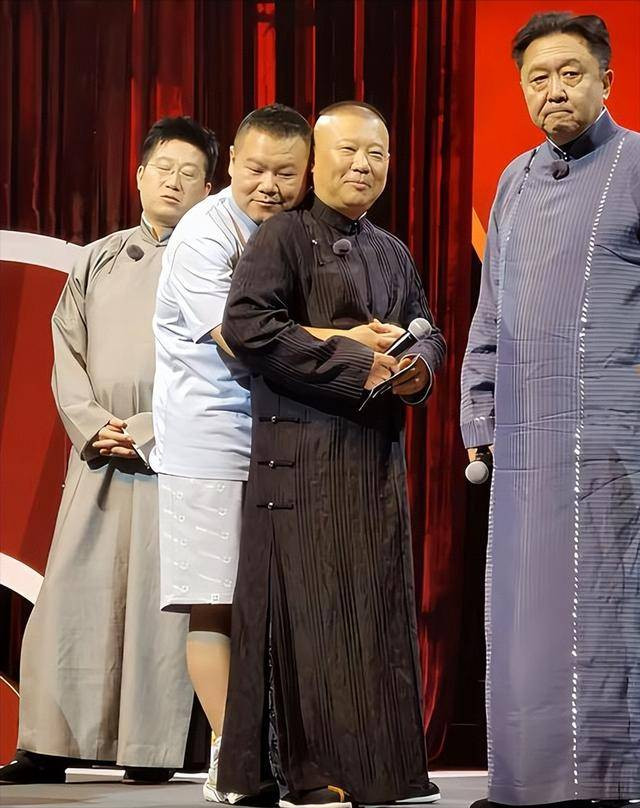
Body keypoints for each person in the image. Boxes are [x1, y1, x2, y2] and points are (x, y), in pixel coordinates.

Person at [218, 101, 446, 808]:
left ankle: (385, 771)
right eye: (348, 151)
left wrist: (416, 370)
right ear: (316, 162)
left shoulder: (391, 248)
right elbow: (248, 327)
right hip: (301, 456)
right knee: (311, 616)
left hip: (373, 458)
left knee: (374, 611)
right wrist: (356, 360)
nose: (363, 166)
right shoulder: (282, 235)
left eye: (377, 154)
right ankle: (309, 770)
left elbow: (427, 328)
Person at [0, 117, 216, 786]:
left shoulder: (218, 264)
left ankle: (149, 750)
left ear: (208, 189)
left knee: (158, 608)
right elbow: (65, 350)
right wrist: (93, 424)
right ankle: (48, 744)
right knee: (73, 598)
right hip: (98, 455)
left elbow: (223, 365)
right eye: (163, 168)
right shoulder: (96, 258)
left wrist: (151, 428)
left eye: (189, 173)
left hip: (175, 459)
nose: (174, 181)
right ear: (139, 175)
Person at [460, 12, 639, 808]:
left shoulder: (637, 163)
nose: (554, 90)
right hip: (527, 438)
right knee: (527, 617)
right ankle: (529, 786)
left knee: (609, 608)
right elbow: (491, 310)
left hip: (614, 434)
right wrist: (480, 416)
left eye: (571, 73)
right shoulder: (514, 179)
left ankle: (613, 783)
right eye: (538, 77)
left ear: (607, 80)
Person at [151, 103, 312, 803]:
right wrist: (343, 346)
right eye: (256, 169)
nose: (269, 185)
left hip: (284, 433)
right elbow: (240, 338)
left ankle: (286, 757)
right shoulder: (203, 234)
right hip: (210, 436)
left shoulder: (304, 231)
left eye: (287, 173)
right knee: (214, 602)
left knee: (281, 605)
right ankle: (230, 757)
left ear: (308, 174)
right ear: (233, 166)